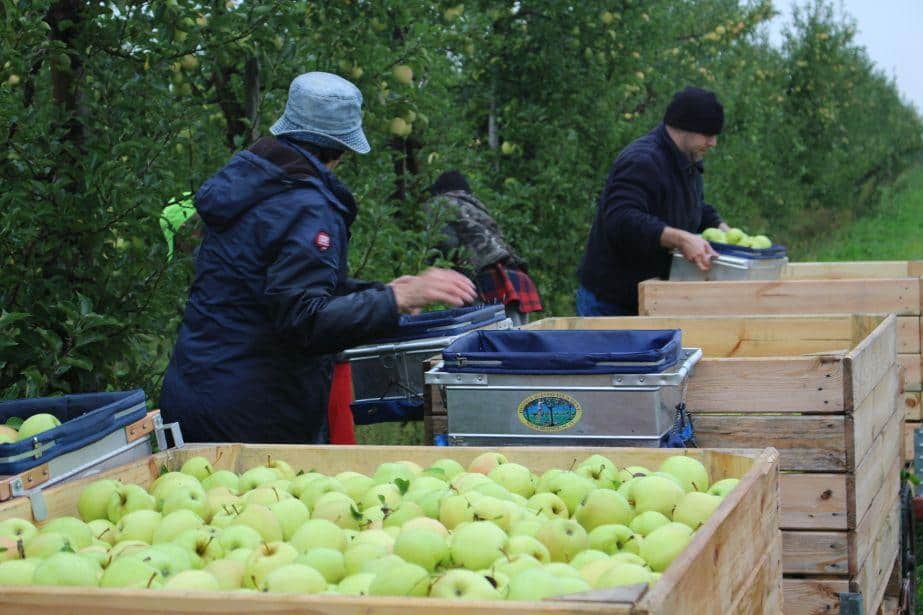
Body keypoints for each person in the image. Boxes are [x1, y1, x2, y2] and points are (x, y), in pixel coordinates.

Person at [159, 72, 476, 444]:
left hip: (198, 390)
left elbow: (271, 289)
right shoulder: (307, 205)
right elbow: (303, 320)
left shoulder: (252, 184)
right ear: (342, 151)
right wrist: (392, 301)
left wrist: (380, 292)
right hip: (252, 415)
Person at [576, 86, 731, 316]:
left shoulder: (687, 161)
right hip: (611, 302)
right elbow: (621, 219)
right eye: (708, 134)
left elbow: (692, 206)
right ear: (684, 127)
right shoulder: (642, 160)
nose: (713, 143)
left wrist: (720, 227)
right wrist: (680, 239)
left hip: (651, 297)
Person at [424, 170, 542, 326]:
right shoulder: (477, 207)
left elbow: (445, 243)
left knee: (487, 341)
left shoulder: (439, 205)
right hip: (515, 277)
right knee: (518, 339)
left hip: (488, 279)